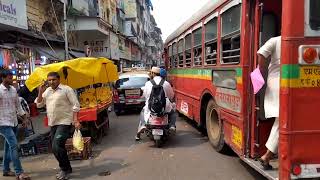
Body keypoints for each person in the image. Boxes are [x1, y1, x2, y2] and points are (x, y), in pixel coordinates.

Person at [35, 72, 81, 180]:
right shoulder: (47, 91)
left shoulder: (66, 89)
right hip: (53, 123)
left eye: (53, 79)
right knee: (56, 147)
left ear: (59, 80)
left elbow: (76, 105)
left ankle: (64, 169)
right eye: (49, 80)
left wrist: (75, 120)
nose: (51, 82)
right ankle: (67, 168)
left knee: (57, 145)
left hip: (64, 122)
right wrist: (40, 91)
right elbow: (39, 104)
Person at [0, 69, 31, 180]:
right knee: (14, 146)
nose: (12, 79)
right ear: (3, 78)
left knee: (8, 147)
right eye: (9, 77)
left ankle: (6, 170)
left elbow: (18, 106)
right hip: (3, 123)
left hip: (13, 122)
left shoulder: (13, 90)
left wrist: (25, 117)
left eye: (12, 77)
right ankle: (19, 172)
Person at [256, 36, 281, 170]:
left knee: (282, 120)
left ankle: (268, 155)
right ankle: (267, 155)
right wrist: (262, 73)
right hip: (280, 85)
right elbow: (261, 53)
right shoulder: (276, 40)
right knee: (283, 121)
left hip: (278, 84)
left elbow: (261, 53)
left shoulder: (275, 40)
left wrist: (262, 73)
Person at [135, 67, 175, 140]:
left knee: (143, 112)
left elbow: (145, 95)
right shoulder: (166, 83)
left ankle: (143, 125)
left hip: (151, 107)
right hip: (165, 107)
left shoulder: (148, 83)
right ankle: (172, 125)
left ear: (153, 73)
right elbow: (171, 95)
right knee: (172, 112)